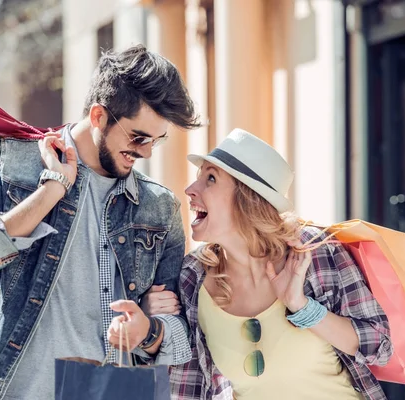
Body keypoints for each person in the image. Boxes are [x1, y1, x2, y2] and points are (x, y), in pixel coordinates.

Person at [0, 45, 198, 399]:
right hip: (8, 390)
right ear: (98, 116)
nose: (146, 152)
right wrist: (52, 190)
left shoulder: (158, 207)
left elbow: (177, 332)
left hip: (110, 391)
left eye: (156, 141)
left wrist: (149, 330)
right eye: (138, 137)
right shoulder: (10, 161)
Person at [168, 129, 393, 400]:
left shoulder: (312, 252)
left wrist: (303, 308)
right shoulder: (192, 277)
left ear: (246, 199)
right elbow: (188, 386)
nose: (190, 190)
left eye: (211, 179)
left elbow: (379, 344)